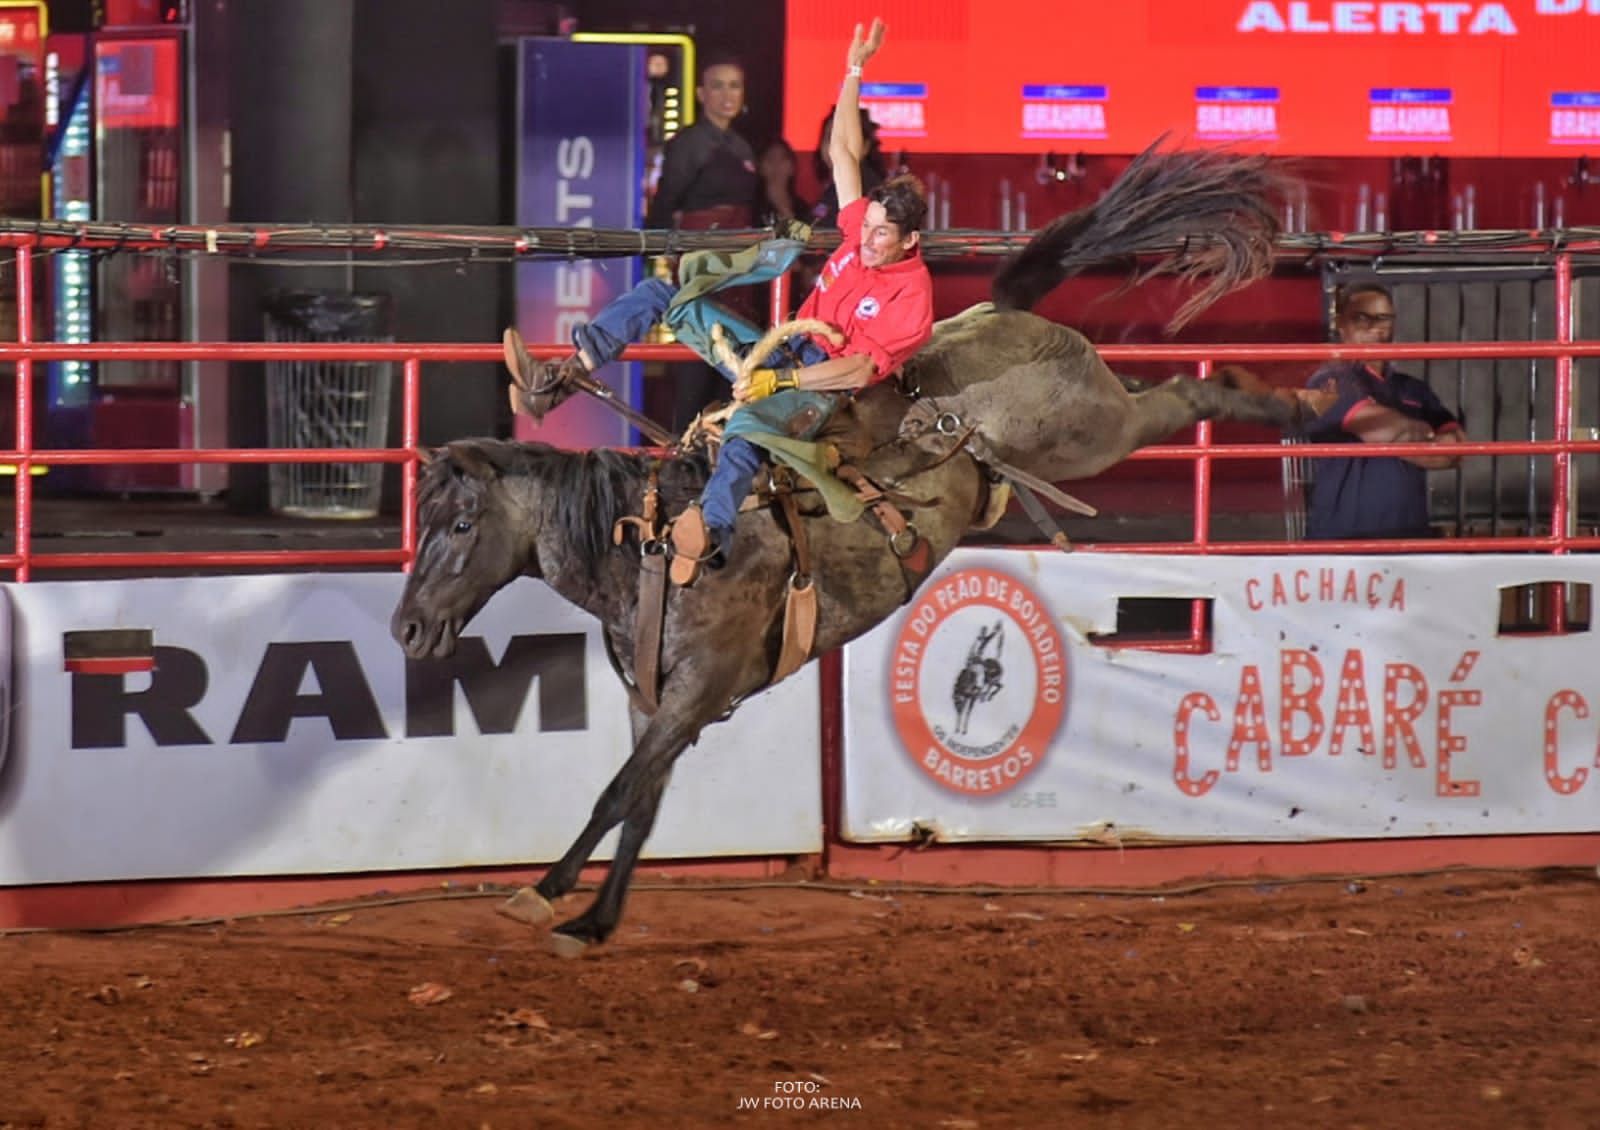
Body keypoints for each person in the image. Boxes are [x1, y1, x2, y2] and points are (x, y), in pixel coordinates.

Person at [502, 17, 934, 585]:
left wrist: (776, 385)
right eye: (869, 227)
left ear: (910, 241)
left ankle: (710, 534)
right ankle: (556, 382)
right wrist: (855, 69)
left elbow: (854, 366)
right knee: (662, 294)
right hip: (772, 351)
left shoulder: (912, 295)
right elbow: (843, 152)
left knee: (746, 429)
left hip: (813, 387)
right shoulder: (858, 233)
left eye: (883, 235)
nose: (869, 242)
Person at [1300, 283, 1466, 540]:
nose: (1374, 327)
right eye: (1361, 317)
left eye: (1383, 318)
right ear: (1341, 325)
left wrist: (1415, 438)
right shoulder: (1329, 383)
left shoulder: (1413, 388)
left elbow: (1457, 451)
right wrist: (1426, 437)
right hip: (1344, 539)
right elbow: (1392, 433)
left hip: (1410, 538)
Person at [646, 56, 761, 429]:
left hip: (742, 263)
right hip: (703, 260)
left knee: (737, 354)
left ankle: (731, 442)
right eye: (718, 85)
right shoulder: (689, 143)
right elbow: (665, 203)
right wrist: (661, 249)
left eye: (735, 85)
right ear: (700, 93)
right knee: (699, 350)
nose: (727, 94)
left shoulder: (743, 145)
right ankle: (685, 446)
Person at [810, 105, 888, 229]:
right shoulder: (835, 187)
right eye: (830, 138)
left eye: (845, 140)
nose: (836, 147)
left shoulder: (867, 189)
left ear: (865, 147)